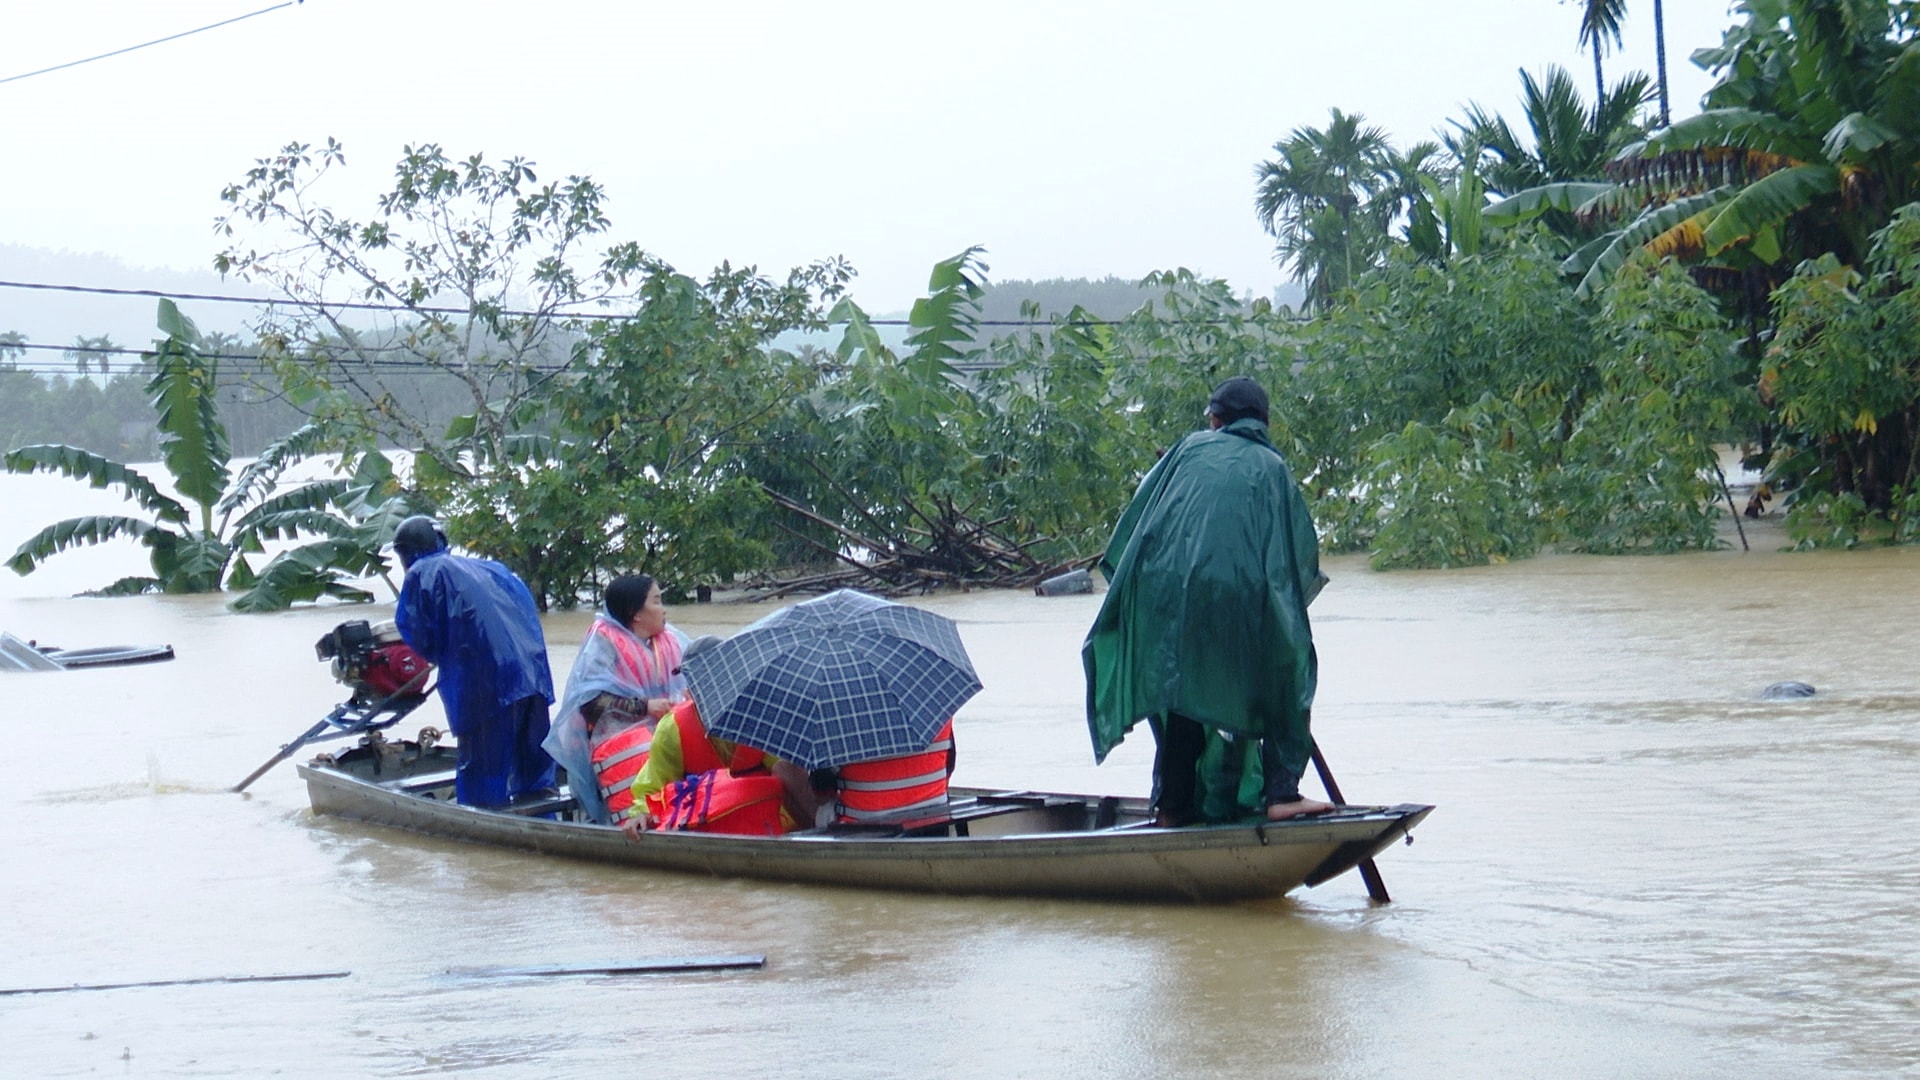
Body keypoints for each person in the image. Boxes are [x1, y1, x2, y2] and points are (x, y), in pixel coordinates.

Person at [1081, 376, 1335, 826]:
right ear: (1265, 423)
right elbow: (1293, 560)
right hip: (1239, 598)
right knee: (1284, 679)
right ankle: (1281, 793)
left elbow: (1133, 529)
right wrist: (1283, 626)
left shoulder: (1187, 450)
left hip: (1169, 596)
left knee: (1183, 691)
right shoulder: (1271, 467)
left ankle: (1173, 807)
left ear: (1216, 420)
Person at [391, 515, 557, 808]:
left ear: (406, 553)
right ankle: (544, 822)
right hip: (533, 675)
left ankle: (483, 829)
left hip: (485, 684)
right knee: (535, 769)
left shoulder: (422, 572)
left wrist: (445, 656)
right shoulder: (492, 568)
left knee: (483, 772)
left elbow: (416, 630)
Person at [542, 574, 690, 824]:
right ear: (636, 613)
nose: (664, 610)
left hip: (662, 734)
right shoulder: (603, 644)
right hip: (617, 744)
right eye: (657, 601)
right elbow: (589, 703)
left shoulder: (668, 640)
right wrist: (645, 707)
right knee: (648, 747)